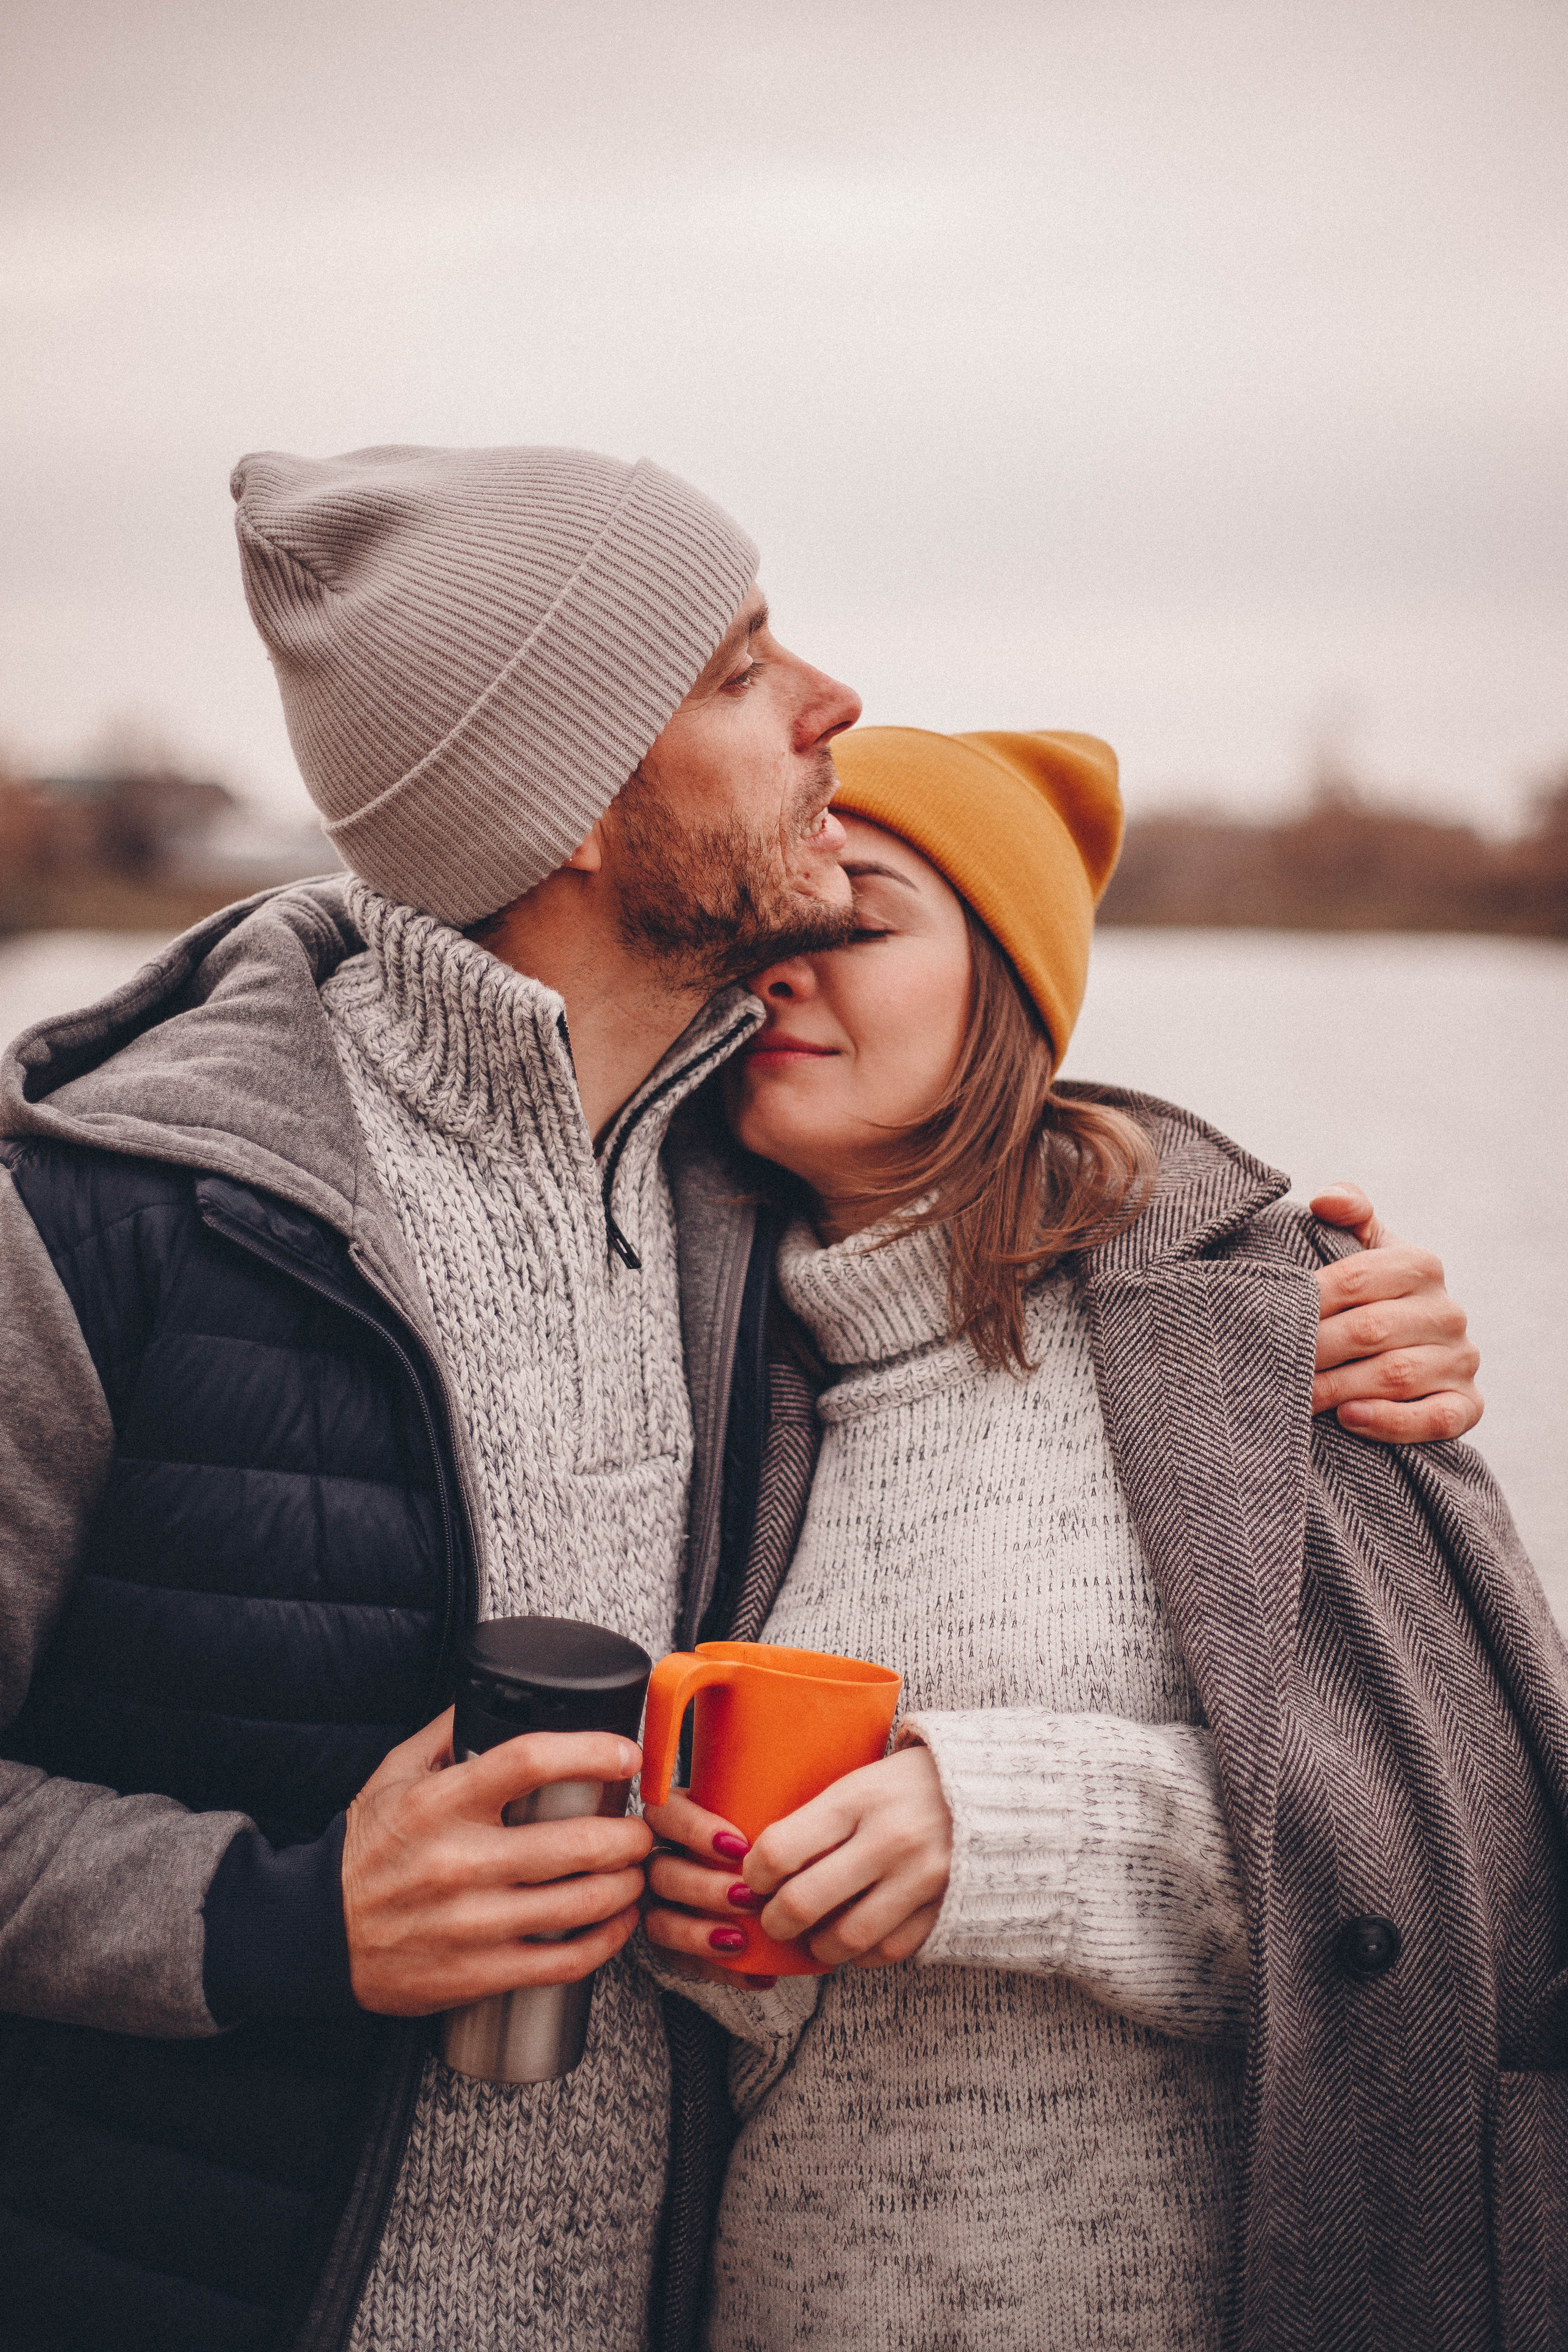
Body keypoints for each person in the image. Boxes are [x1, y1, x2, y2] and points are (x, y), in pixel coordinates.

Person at [0, 448, 1480, 2352]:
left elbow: (998, 1151)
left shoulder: (744, 1195)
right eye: (738, 669)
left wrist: (1283, 1289)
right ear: (577, 805)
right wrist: (282, 1919)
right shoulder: (106, 1217)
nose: (830, 707)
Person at [643, 727, 1566, 2352]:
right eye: (756, 930)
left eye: (854, 921)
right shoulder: (666, 1349)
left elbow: (1469, 1877)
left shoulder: (1265, 1330)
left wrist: (1018, 1832)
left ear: (1009, 989)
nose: (787, 970)